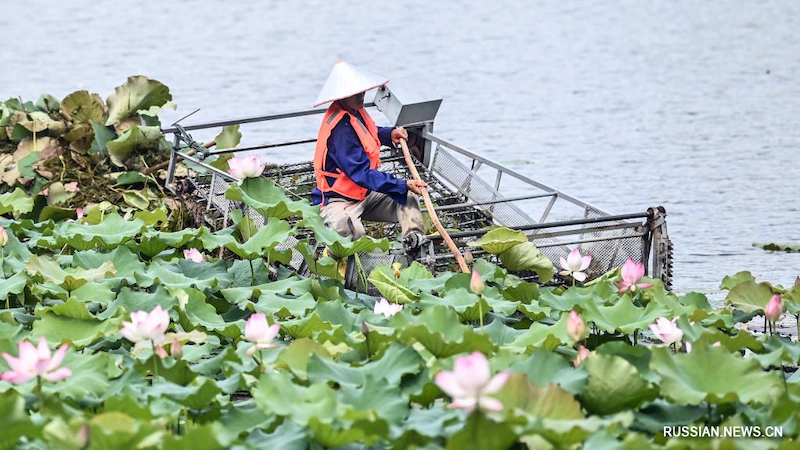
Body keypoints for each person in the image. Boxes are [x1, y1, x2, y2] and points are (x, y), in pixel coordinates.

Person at [311, 61, 427, 249]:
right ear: (343, 95)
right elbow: (361, 173)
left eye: (362, 92)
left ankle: (414, 242)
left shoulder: (355, 112)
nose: (361, 96)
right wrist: (401, 183)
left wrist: (389, 135)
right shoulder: (340, 130)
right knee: (351, 231)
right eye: (356, 93)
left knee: (406, 196)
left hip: (363, 193)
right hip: (338, 199)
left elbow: (370, 132)